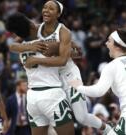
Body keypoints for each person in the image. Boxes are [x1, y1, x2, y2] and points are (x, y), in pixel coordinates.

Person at [6, 3, 111, 135]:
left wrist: (61, 50)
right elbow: (13, 47)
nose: (46, 10)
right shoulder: (35, 29)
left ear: (58, 14)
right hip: (51, 80)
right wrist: (30, 47)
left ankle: (106, 128)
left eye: (51, 8)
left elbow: (76, 53)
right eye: (44, 7)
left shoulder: (63, 31)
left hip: (69, 76)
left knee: (81, 117)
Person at [7, 1, 75, 135]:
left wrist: (31, 52)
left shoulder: (21, 46)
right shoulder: (47, 43)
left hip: (32, 97)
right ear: (30, 23)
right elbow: (63, 59)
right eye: (45, 8)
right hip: (52, 93)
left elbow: (12, 46)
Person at [69, 29, 126, 135]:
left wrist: (79, 87)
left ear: (117, 46)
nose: (106, 43)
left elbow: (98, 91)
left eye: (109, 41)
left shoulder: (112, 66)